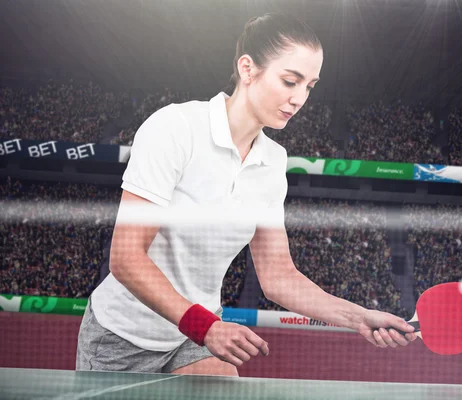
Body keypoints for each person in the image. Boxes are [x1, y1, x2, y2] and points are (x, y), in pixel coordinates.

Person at [76, 12, 416, 377]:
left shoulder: (274, 161)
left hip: (193, 340)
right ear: (248, 69)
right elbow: (126, 257)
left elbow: (279, 276)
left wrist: (359, 317)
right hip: (123, 339)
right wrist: (205, 327)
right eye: (290, 80)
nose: (299, 98)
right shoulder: (174, 128)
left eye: (310, 86)